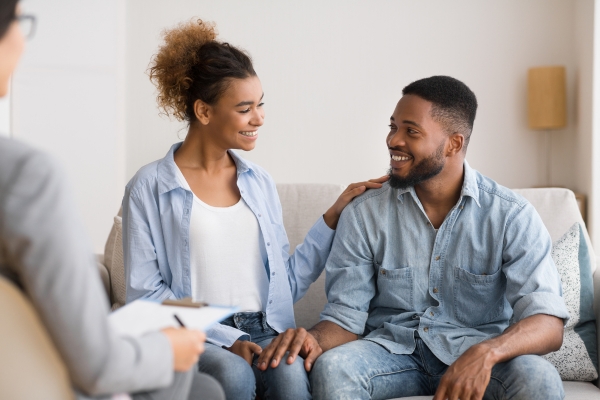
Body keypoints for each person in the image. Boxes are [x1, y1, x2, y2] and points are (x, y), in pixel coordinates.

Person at [257, 76, 570, 400]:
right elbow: (344, 318)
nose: (394, 140)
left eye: (411, 131)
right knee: (334, 367)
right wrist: (312, 338)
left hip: (478, 356)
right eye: (393, 127)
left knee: (538, 377)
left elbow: (547, 321)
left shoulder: (511, 216)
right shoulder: (363, 213)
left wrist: (488, 352)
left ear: (454, 143)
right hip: (392, 353)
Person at [122, 19, 386, 400]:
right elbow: (144, 294)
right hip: (199, 336)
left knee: (291, 377)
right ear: (204, 111)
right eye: (245, 108)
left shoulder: (257, 182)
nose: (259, 118)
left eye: (260, 105)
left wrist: (332, 217)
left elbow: (285, 283)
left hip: (267, 328)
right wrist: (226, 339)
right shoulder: (149, 187)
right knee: (233, 376)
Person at [0, 2, 224, 399]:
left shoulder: (257, 183)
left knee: (206, 387)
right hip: (51, 380)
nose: (22, 38)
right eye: (19, 22)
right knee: (198, 383)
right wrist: (168, 347)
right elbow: (98, 367)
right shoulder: (24, 177)